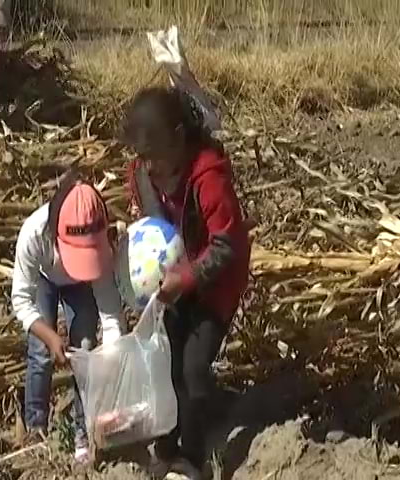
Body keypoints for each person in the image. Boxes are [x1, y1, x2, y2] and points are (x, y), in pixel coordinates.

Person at [122, 87, 251, 480]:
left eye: (155, 157)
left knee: (193, 369)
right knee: (166, 361)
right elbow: (155, 225)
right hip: (174, 277)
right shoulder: (145, 173)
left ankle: (192, 458)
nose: (149, 167)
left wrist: (189, 276)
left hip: (216, 283)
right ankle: (166, 446)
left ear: (179, 138)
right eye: (143, 158)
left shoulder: (208, 176)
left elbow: (228, 245)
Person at [10, 170, 125, 464]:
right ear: (55, 234)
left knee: (85, 347)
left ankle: (83, 433)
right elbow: (21, 301)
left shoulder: (100, 248)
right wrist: (49, 336)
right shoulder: (34, 234)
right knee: (39, 354)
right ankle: (36, 430)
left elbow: (110, 313)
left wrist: (110, 360)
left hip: (80, 287)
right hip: (45, 281)